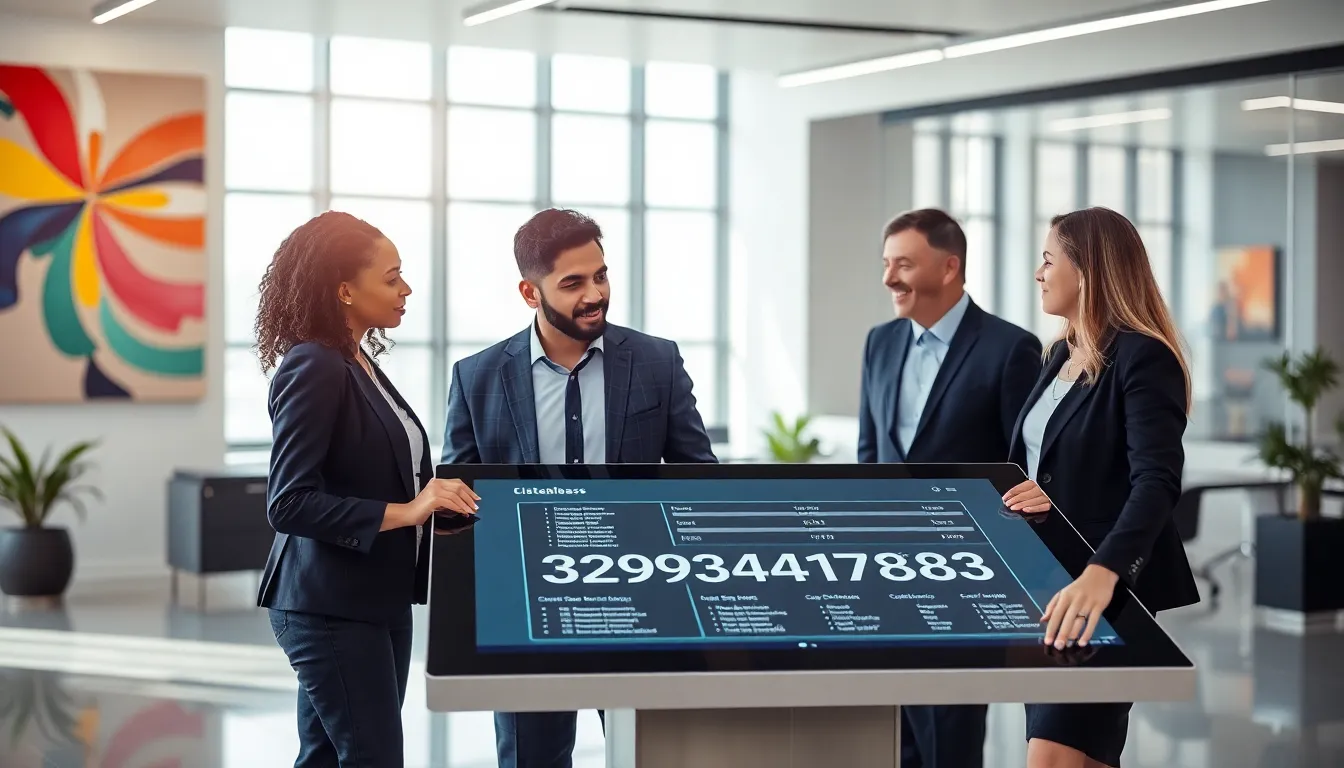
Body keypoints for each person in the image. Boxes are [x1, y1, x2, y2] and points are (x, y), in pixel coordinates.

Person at [441, 207, 718, 768]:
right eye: (573, 283)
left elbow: (698, 478)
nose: (595, 294)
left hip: (643, 599)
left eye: (601, 275)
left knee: (651, 752)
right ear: (529, 291)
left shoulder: (657, 361)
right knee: (531, 758)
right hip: (527, 608)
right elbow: (458, 500)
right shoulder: (478, 377)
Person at [255, 211, 480, 768]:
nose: (406, 289)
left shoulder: (359, 362)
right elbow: (288, 502)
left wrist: (437, 493)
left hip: (375, 595)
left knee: (328, 757)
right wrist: (409, 511)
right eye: (392, 277)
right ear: (345, 291)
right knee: (372, 756)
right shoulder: (315, 365)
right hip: (328, 603)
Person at [1003, 207, 1200, 768]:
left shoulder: (1143, 356)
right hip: (1047, 585)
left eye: (1048, 258)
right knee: (1082, 756)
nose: (1038, 272)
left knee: (1054, 754)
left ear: (1086, 268)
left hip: (1103, 589)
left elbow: (1156, 483)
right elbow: (1052, 467)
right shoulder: (1059, 353)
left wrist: (1101, 574)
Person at [857, 208, 1044, 768]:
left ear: (949, 267)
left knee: (951, 729)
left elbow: (1024, 468)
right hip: (887, 568)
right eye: (887, 264)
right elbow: (871, 454)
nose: (890, 278)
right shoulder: (880, 342)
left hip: (966, 573)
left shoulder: (1011, 349)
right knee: (897, 727)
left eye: (904, 265)